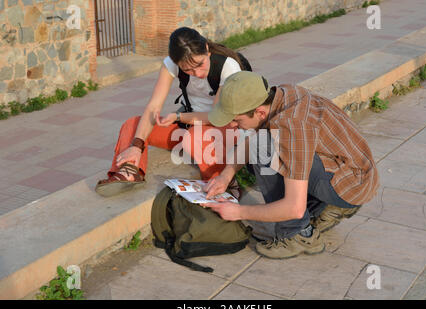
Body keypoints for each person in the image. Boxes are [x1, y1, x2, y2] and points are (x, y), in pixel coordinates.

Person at [202, 71, 379, 259]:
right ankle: (325, 205)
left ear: (260, 112)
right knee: (260, 144)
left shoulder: (290, 126)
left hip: (351, 185)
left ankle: (297, 234)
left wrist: (238, 212)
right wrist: (226, 175)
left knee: (263, 149)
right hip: (353, 172)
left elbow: (294, 207)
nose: (231, 126)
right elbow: (252, 140)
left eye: (236, 120)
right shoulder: (282, 95)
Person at [95, 27, 246, 197]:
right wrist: (137, 145)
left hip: (224, 128)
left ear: (206, 49)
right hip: (190, 124)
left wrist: (178, 116)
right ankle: (129, 170)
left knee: (195, 138)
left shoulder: (227, 66)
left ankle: (223, 183)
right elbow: (153, 107)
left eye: (199, 64)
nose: (197, 73)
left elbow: (215, 117)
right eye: (188, 70)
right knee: (133, 125)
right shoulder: (171, 65)